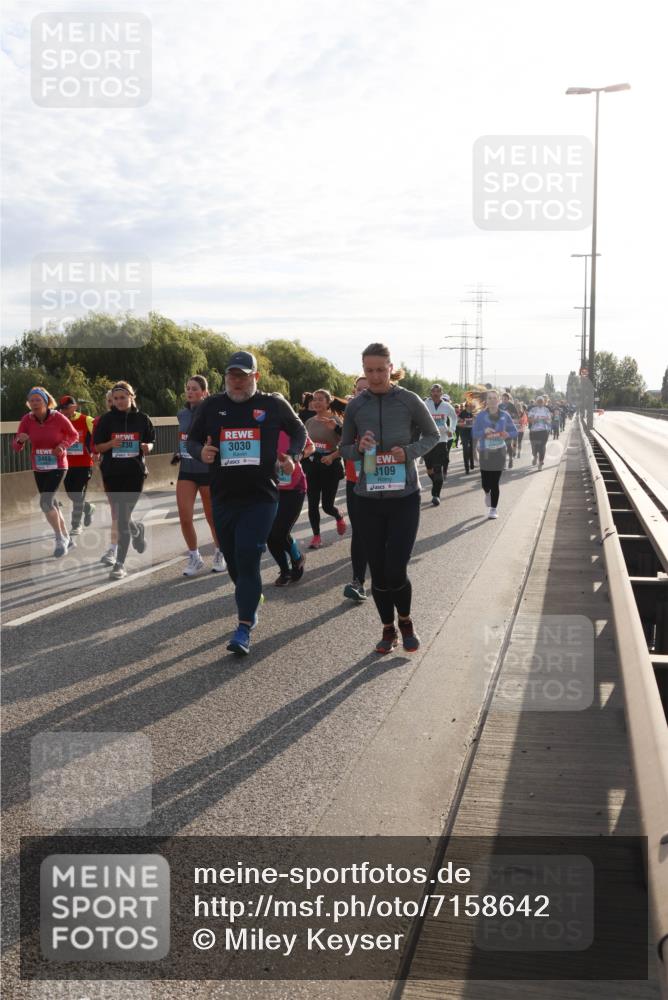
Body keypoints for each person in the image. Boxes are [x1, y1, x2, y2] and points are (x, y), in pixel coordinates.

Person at [187, 350, 307, 656]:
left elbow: (298, 430)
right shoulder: (213, 405)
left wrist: (292, 456)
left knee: (248, 554)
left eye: (243, 376)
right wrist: (201, 452)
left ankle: (244, 625)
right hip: (224, 496)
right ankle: (251, 596)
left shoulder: (272, 404)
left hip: (261, 496)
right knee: (233, 558)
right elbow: (193, 439)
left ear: (256, 377)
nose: (236, 382)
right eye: (232, 376)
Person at [341, 343, 439, 654]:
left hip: (404, 496)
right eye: (369, 371)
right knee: (379, 571)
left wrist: (407, 452)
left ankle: (406, 620)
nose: (375, 376)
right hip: (367, 498)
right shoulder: (356, 406)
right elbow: (343, 448)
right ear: (363, 370)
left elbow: (433, 435)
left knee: (396, 568)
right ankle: (387, 629)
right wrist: (358, 448)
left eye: (380, 370)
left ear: (390, 367)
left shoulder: (408, 400)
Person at [93, 381, 155, 580]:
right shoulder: (106, 420)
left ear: (131, 397)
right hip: (112, 473)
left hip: (134, 473)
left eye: (123, 397)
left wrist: (148, 447)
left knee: (121, 518)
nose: (119, 401)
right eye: (116, 398)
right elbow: (98, 448)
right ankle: (136, 530)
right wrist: (111, 443)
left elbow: (151, 441)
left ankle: (119, 564)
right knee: (122, 516)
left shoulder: (142, 419)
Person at [12, 387, 79, 557]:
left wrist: (62, 446)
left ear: (46, 402)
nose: (34, 403)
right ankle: (66, 537)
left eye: (37, 400)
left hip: (58, 465)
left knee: (45, 501)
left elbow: (74, 435)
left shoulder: (59, 418)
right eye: (31, 400)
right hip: (39, 466)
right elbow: (15, 446)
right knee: (52, 504)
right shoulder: (26, 420)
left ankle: (59, 539)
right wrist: (20, 440)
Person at [174, 376, 225, 576]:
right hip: (187, 470)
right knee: (184, 516)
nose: (190, 392)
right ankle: (194, 557)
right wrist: (179, 452)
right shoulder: (182, 414)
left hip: (207, 471)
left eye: (194, 388)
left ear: (204, 391)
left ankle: (220, 552)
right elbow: (184, 439)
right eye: (187, 388)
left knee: (212, 517)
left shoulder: (213, 412)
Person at [267, 431, 314, 585]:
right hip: (269, 488)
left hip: (294, 488)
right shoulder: (260, 427)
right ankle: (285, 570)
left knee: (279, 531)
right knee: (270, 535)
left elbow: (310, 446)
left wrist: (296, 457)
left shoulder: (291, 426)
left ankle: (296, 557)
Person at [303, 389, 347, 548]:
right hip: (313, 466)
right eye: (314, 399)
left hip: (331, 466)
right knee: (313, 503)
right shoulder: (309, 422)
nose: (316, 402)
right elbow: (306, 444)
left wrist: (332, 456)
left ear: (328, 403)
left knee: (327, 506)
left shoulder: (335, 420)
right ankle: (316, 536)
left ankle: (338, 515)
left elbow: (348, 444)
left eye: (321, 399)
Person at [343, 375, 369, 602]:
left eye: (366, 389)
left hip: (385, 482)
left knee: (382, 534)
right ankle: (357, 581)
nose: (361, 393)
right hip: (355, 480)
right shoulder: (350, 415)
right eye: (358, 390)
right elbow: (344, 446)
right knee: (360, 531)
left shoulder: (389, 413)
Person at [472, 390, 518, 519]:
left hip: (499, 451)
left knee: (495, 482)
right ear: (486, 400)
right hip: (485, 452)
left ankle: (493, 509)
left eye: (494, 398)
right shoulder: (481, 416)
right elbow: (474, 433)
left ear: (498, 400)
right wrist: (484, 431)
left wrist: (507, 434)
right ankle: (487, 493)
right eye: (489, 398)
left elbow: (514, 431)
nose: (492, 400)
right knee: (485, 483)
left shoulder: (505, 415)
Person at [57, 395, 96, 535]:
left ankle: (75, 525)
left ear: (74, 407)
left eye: (66, 409)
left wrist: (95, 451)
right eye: (61, 409)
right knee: (71, 493)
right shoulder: (59, 421)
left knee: (78, 493)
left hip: (84, 463)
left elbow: (98, 437)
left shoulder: (86, 420)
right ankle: (88, 508)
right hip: (66, 464)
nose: (63, 412)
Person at [95, 389, 119, 566]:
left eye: (117, 399)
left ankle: (113, 549)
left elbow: (147, 440)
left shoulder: (135, 420)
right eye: (110, 400)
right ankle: (114, 548)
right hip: (109, 469)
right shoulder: (102, 421)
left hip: (132, 472)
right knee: (116, 512)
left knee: (120, 512)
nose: (113, 403)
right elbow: (95, 445)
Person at [423, 385, 457, 506]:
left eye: (438, 391)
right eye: (434, 391)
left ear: (441, 393)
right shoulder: (425, 404)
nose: (436, 393)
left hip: (441, 440)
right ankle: (436, 484)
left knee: (438, 469)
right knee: (429, 470)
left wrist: (451, 429)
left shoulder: (447, 406)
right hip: (427, 441)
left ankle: (436, 495)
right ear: (431, 393)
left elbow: (454, 418)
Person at [528, 396, 552, 468]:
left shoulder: (546, 410)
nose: (540, 403)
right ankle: (535, 456)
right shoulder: (533, 409)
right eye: (538, 401)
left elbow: (549, 421)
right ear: (536, 402)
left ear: (544, 402)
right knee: (534, 446)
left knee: (542, 447)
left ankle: (541, 462)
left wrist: (545, 420)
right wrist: (536, 419)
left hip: (544, 431)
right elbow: (529, 420)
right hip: (534, 431)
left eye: (541, 401)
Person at [499, 392, 519, 468]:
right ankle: (503, 463)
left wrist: (510, 414)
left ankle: (510, 460)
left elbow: (516, 416)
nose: (504, 400)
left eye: (505, 399)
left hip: (509, 428)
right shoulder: (499, 406)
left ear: (508, 399)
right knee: (501, 446)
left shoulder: (511, 406)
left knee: (508, 445)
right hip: (501, 428)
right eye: (503, 398)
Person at [457, 402, 476, 474]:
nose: (471, 407)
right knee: (465, 449)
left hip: (471, 432)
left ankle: (471, 462)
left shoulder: (473, 413)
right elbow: (458, 423)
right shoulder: (462, 413)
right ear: (466, 406)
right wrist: (463, 423)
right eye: (470, 406)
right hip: (464, 433)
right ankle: (466, 467)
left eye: (472, 406)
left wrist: (474, 422)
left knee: (471, 449)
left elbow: (476, 422)